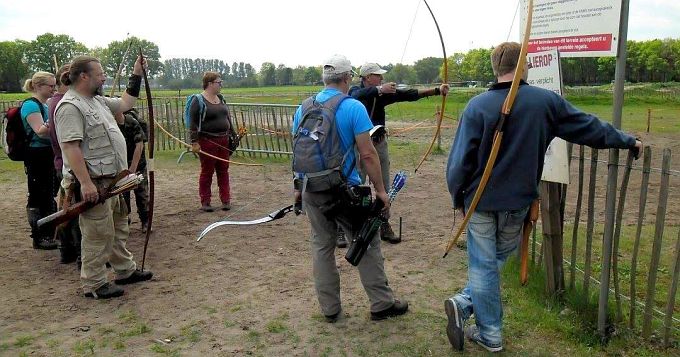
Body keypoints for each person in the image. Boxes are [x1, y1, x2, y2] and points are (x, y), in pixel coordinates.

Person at [444, 42, 643, 352]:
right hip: (517, 202)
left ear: (497, 69)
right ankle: (482, 323)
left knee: (485, 264)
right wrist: (626, 140)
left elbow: (459, 162)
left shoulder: (477, 105)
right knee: (492, 262)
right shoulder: (544, 102)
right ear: (524, 66)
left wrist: (458, 195)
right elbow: (588, 127)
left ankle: (470, 309)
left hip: (480, 201)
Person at [292, 54, 408, 322]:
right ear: (347, 78)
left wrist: (298, 188)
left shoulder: (304, 108)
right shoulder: (353, 107)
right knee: (366, 241)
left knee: (322, 246)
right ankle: (381, 303)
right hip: (346, 191)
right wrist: (380, 190)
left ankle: (330, 309)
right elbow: (368, 154)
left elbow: (298, 151)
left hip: (311, 187)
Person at [55, 55, 153, 299]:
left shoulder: (96, 100)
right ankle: (95, 283)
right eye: (100, 73)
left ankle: (124, 270)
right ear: (84, 76)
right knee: (98, 233)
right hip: (94, 182)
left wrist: (137, 73)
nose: (104, 77)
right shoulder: (70, 106)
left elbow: (125, 104)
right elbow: (71, 148)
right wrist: (86, 183)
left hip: (112, 180)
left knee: (118, 226)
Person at [346, 63, 449, 246]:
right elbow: (356, 95)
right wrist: (379, 90)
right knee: (354, 187)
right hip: (358, 148)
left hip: (378, 145)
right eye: (378, 76)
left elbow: (408, 94)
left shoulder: (382, 94)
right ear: (368, 77)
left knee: (384, 187)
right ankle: (345, 227)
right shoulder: (356, 92)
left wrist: (436, 90)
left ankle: (383, 224)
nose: (382, 79)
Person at [48, 64, 83, 264]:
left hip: (63, 162)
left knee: (68, 208)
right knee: (75, 212)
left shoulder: (56, 102)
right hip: (69, 163)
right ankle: (78, 253)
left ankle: (67, 251)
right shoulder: (65, 104)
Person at [21, 71, 58, 250]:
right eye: (50, 86)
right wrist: (55, 120)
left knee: (49, 194)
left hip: (46, 153)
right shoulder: (31, 105)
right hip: (36, 155)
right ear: (38, 86)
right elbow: (39, 130)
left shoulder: (44, 104)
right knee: (38, 195)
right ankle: (39, 235)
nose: (53, 89)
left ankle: (49, 233)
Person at [189, 72, 236, 212]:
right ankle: (205, 201)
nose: (221, 85)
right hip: (207, 141)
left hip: (224, 140)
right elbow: (192, 122)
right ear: (209, 83)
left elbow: (227, 118)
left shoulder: (220, 98)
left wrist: (232, 135)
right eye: (218, 82)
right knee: (207, 171)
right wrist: (194, 142)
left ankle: (226, 200)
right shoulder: (198, 100)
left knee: (223, 170)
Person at [115, 108, 150, 232]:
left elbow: (139, 145)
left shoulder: (132, 122)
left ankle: (145, 221)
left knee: (142, 194)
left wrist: (132, 169)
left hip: (137, 165)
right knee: (122, 196)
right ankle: (125, 221)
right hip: (120, 168)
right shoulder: (110, 124)